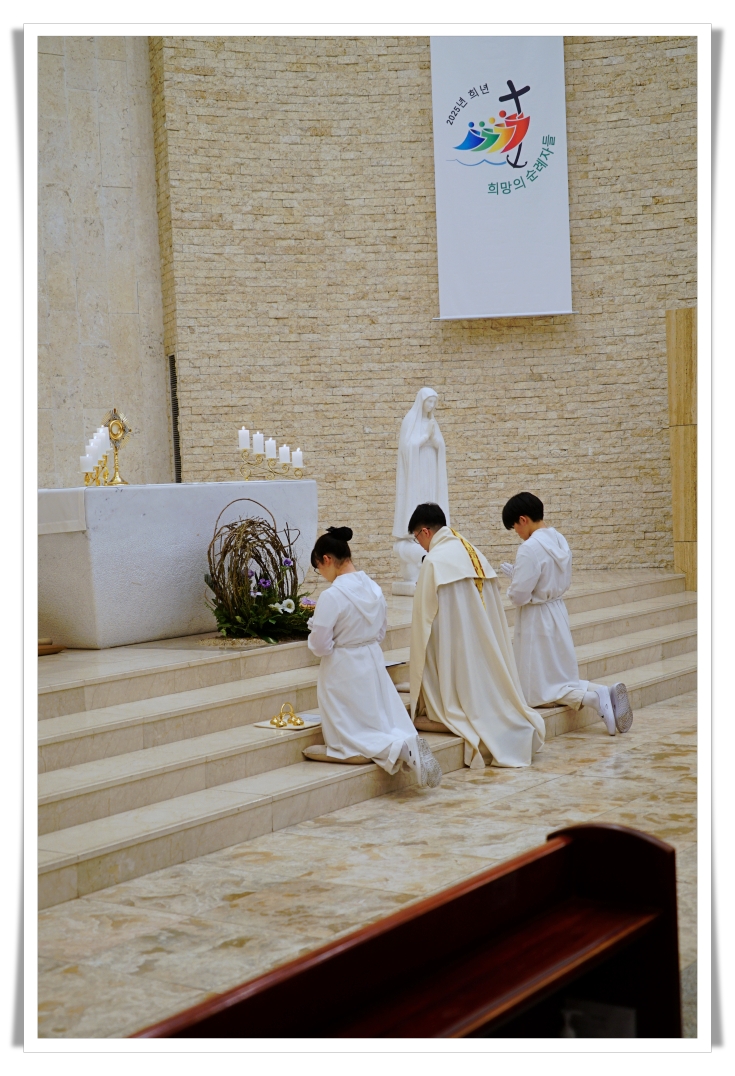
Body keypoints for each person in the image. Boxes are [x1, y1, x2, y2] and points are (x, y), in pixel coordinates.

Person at [408, 503, 545, 770]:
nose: (421, 546)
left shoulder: (435, 562)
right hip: (479, 646)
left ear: (425, 532)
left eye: (417, 538)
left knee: (450, 709)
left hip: (456, 649)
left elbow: (424, 623)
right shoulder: (473, 552)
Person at [305, 526, 443, 787]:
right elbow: (380, 633)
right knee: (377, 720)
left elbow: (320, 646)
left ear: (327, 559)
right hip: (371, 660)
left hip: (342, 666)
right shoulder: (374, 589)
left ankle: (400, 748)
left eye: (318, 568)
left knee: (350, 732)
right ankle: (405, 741)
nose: (321, 574)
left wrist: (317, 635)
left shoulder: (332, 595)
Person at [500, 492, 634, 735]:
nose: (516, 532)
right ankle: (602, 690)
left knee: (538, 688)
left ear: (523, 519)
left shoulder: (529, 548)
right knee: (559, 675)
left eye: (514, 527)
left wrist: (515, 582)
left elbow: (519, 596)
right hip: (557, 611)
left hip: (536, 618)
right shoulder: (559, 539)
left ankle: (594, 699)